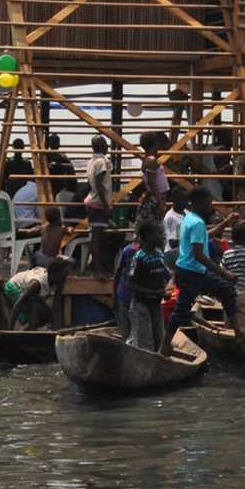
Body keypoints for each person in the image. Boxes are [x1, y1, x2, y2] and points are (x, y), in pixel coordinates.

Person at [169, 187, 242, 334]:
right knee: (181, 311)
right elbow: (199, 255)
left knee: (227, 291)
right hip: (191, 272)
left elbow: (204, 236)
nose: (211, 206)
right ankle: (165, 346)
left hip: (192, 270)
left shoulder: (190, 218)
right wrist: (224, 273)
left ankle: (238, 331)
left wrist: (226, 222)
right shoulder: (197, 223)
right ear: (199, 204)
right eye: (209, 203)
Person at [122, 221, 171, 352]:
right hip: (141, 304)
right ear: (147, 236)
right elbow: (131, 283)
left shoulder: (159, 254)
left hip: (155, 303)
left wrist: (167, 290)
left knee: (159, 338)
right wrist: (154, 292)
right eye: (158, 234)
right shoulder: (139, 258)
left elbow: (166, 274)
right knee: (145, 343)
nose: (161, 237)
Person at [4, 257, 70, 330]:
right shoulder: (36, 284)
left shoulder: (59, 284)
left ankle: (26, 330)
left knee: (47, 314)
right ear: (54, 274)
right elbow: (19, 303)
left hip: (33, 295)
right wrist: (10, 329)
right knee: (35, 305)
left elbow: (56, 307)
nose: (65, 278)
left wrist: (55, 331)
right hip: (13, 286)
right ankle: (31, 331)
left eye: (66, 275)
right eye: (64, 275)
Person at [85, 135, 115, 276]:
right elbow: (99, 184)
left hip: (93, 201)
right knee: (97, 238)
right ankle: (98, 269)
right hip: (98, 203)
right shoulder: (102, 161)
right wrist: (106, 205)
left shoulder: (91, 161)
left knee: (99, 237)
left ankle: (97, 266)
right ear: (102, 146)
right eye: (105, 144)